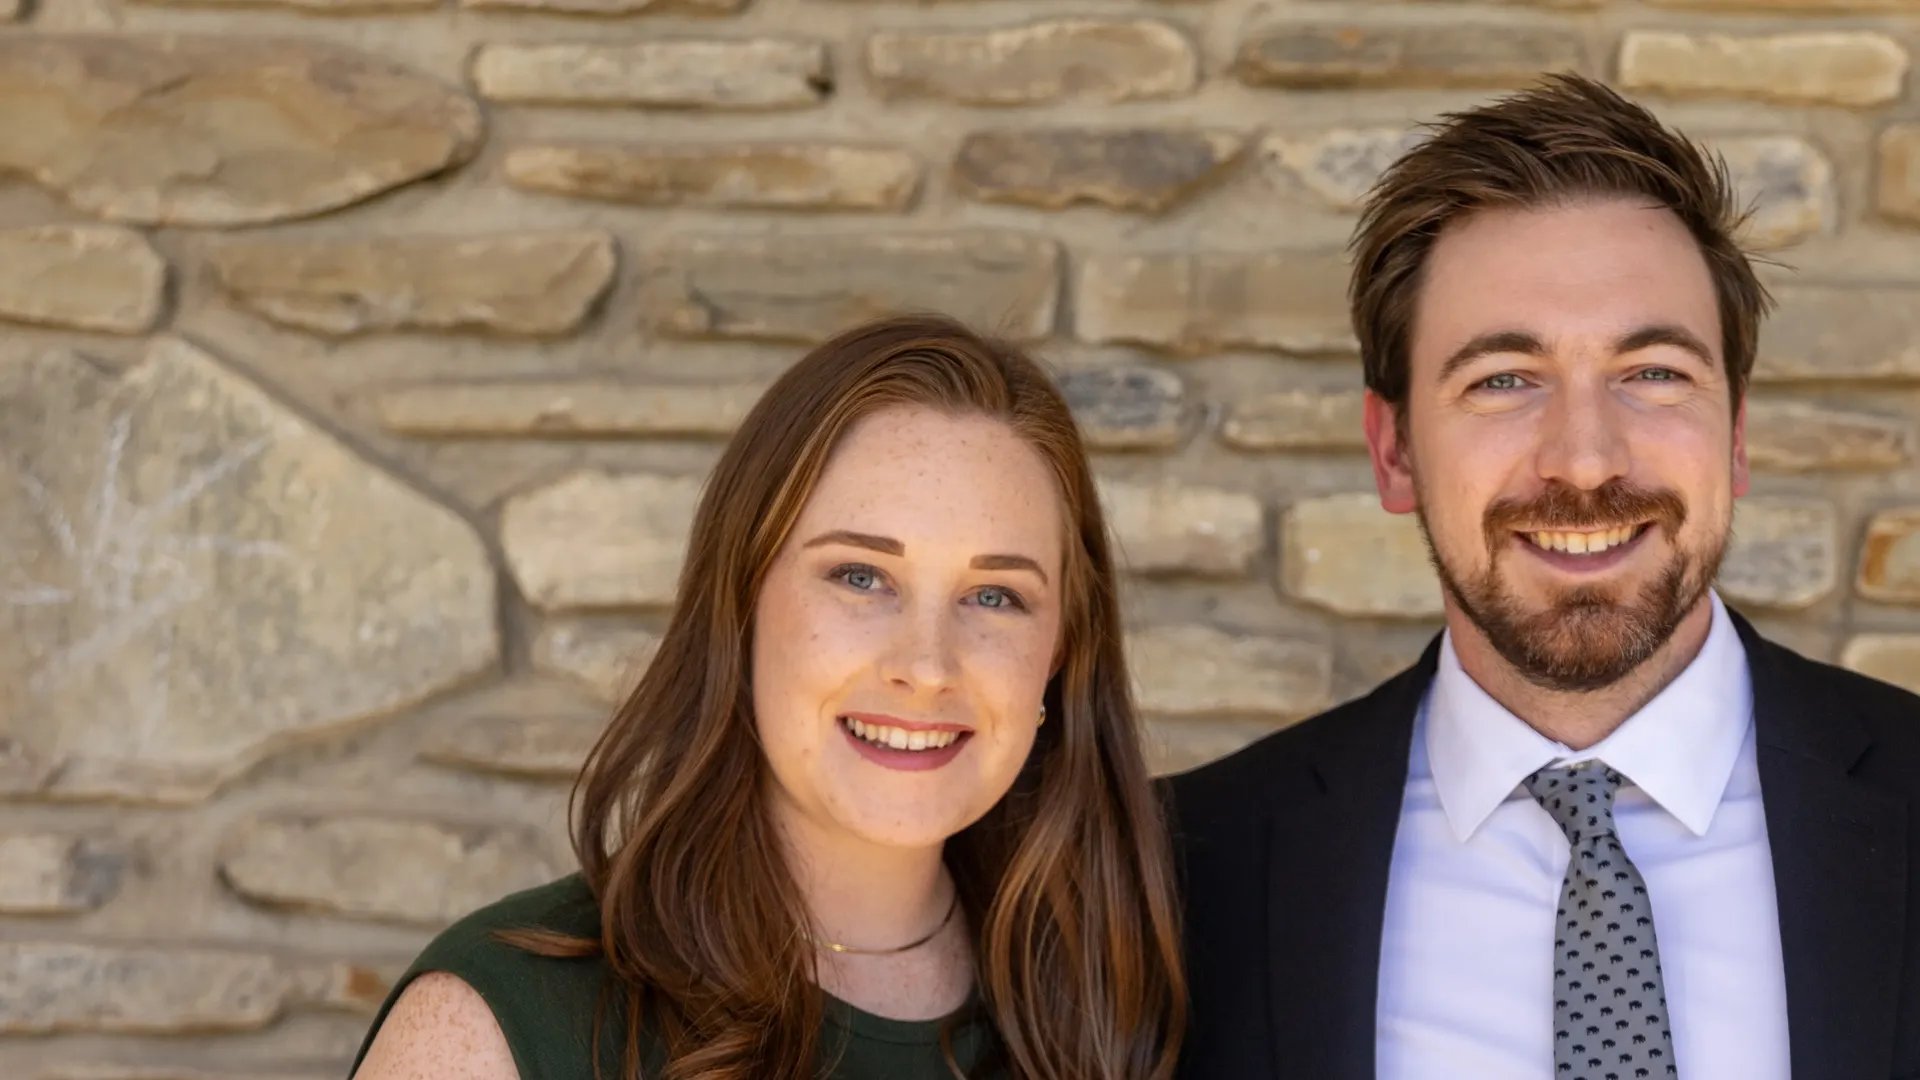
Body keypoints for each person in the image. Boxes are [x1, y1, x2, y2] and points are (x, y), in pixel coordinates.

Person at [1168, 73, 1920, 1080]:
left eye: (1653, 371)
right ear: (1393, 452)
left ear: (1735, 433)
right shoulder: (1184, 871)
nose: (1585, 459)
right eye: (1504, 380)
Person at [350, 315, 1186, 1080]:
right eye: (860, 577)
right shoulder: (494, 1027)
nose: (927, 665)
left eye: (996, 595)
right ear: (742, 602)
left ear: (1060, 651)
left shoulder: (1124, 1007)